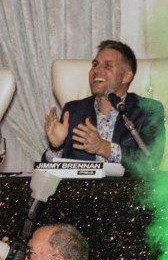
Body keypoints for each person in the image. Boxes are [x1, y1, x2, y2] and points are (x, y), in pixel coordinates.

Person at [44, 39, 164, 168]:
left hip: (128, 188)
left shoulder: (149, 110)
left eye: (107, 65)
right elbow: (49, 173)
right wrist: (56, 147)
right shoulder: (73, 111)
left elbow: (151, 161)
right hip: (82, 187)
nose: (96, 70)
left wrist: (103, 147)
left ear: (126, 77)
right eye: (95, 64)